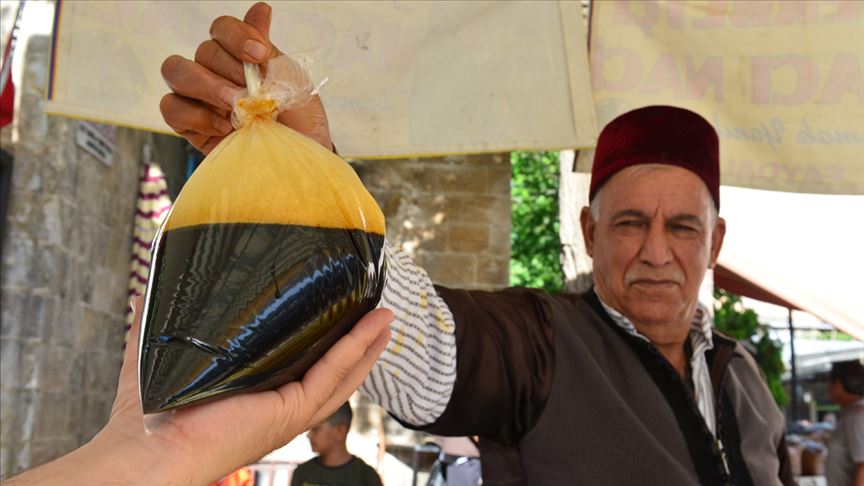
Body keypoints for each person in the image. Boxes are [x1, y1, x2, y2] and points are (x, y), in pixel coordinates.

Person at [160, 3, 797, 484]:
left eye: (682, 227)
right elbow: (429, 345)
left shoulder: (742, 375)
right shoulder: (542, 345)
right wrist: (308, 183)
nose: (656, 251)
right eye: (630, 223)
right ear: (589, 232)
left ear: (714, 242)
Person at [4, 296, 393, 485]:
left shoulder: (364, 477)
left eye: (317, 429)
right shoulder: (304, 472)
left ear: (340, 431)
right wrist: (159, 450)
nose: (310, 435)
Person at [291, 402, 383, 486]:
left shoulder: (366, 477)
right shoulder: (302, 473)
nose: (309, 435)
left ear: (340, 431)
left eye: (315, 429)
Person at [826, 359, 864, 486]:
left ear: (838, 385)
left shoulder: (857, 416)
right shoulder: (851, 414)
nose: (827, 387)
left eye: (829, 382)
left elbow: (863, 468)